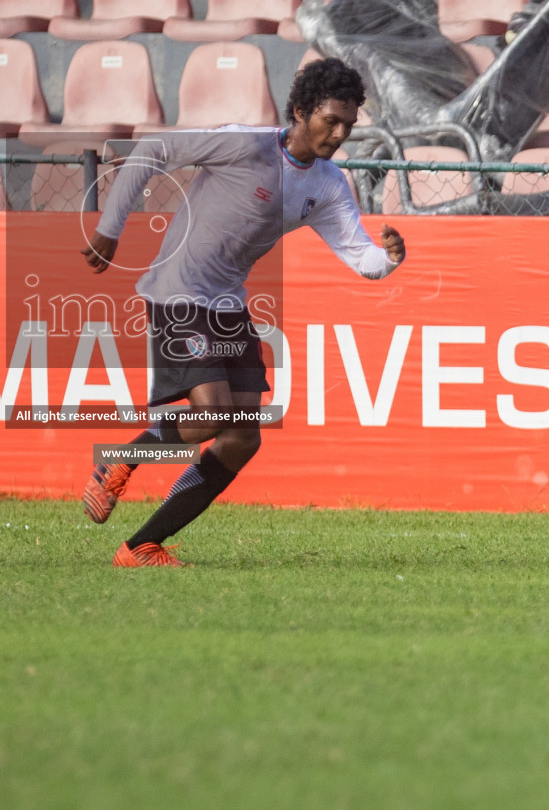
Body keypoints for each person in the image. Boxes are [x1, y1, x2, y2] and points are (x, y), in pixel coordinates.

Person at [79, 58, 406, 567]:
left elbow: (358, 254)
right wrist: (110, 226)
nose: (339, 133)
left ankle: (140, 545)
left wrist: (387, 259)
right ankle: (120, 459)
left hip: (227, 301)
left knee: (241, 435)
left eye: (348, 125)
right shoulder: (243, 144)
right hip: (179, 289)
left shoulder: (328, 184)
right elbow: (155, 149)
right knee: (212, 415)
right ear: (299, 111)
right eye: (330, 121)